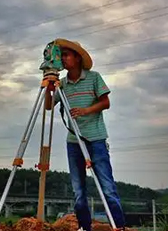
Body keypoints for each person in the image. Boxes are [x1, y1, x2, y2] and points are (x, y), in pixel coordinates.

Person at [46, 39, 125, 231]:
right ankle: (84, 227)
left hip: (95, 139)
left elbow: (106, 103)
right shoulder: (62, 84)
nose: (63, 59)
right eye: (61, 55)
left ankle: (119, 226)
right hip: (74, 142)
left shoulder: (94, 78)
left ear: (78, 58)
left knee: (107, 187)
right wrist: (49, 86)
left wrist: (86, 110)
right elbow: (48, 106)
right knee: (78, 190)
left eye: (66, 55)